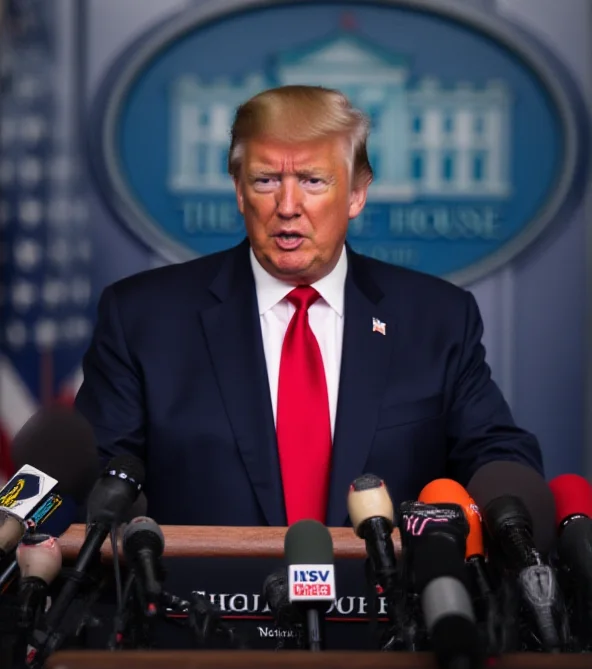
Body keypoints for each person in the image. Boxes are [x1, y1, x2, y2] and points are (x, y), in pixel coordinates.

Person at [74, 85, 543, 527]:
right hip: (202, 605)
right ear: (239, 191)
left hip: (381, 607)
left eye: (313, 180)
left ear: (357, 193)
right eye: (265, 180)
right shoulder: (143, 318)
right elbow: (87, 479)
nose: (288, 205)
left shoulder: (438, 319)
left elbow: (496, 454)